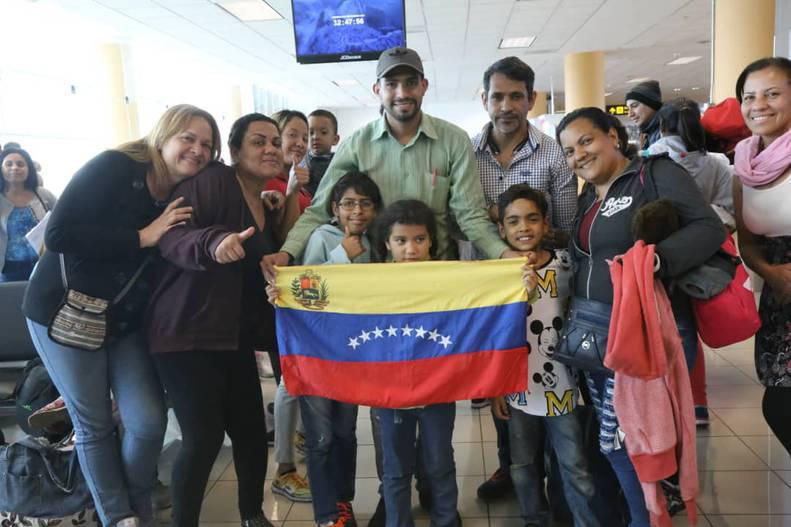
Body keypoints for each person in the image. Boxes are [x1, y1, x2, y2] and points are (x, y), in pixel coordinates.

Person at [22, 104, 221, 527]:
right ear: (163, 136)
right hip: (63, 313)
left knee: (147, 422)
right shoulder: (115, 167)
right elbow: (58, 234)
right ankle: (121, 517)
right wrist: (141, 237)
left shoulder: (184, 193)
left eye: (207, 144)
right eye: (188, 138)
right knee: (94, 423)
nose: (198, 149)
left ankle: (130, 506)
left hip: (123, 321)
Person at [556, 107, 723, 526]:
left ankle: (646, 519)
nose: (578, 155)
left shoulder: (655, 174)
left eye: (586, 141)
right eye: (569, 151)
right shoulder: (588, 198)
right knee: (615, 441)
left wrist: (656, 260)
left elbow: (708, 228)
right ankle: (641, 515)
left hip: (644, 334)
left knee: (629, 441)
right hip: (597, 338)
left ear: (613, 136)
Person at [145, 112, 284, 527]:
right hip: (184, 331)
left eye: (275, 142)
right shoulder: (213, 181)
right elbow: (173, 236)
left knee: (251, 431)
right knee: (203, 437)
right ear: (235, 151)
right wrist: (213, 242)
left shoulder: (265, 203)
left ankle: (252, 515)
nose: (270, 149)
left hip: (230, 335)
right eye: (258, 141)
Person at [471, 55, 577, 501]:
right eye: (498, 96)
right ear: (484, 99)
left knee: (545, 378)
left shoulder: (553, 154)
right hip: (490, 293)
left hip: (543, 293)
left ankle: (552, 475)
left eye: (516, 96)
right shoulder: (467, 154)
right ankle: (509, 467)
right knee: (502, 378)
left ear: (531, 99)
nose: (506, 105)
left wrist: (522, 235)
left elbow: (567, 227)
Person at [267, 171, 383, 527]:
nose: (357, 211)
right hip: (318, 354)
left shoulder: (377, 243)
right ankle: (326, 513)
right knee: (320, 437)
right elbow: (307, 287)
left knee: (346, 432)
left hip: (352, 354)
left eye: (365, 204)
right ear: (335, 208)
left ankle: (343, 500)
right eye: (349, 203)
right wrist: (341, 256)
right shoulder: (321, 237)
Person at [490, 184, 601, 527]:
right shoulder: (495, 273)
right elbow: (492, 336)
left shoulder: (566, 264)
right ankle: (534, 520)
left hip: (564, 388)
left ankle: (582, 521)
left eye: (532, 218)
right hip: (517, 388)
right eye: (513, 221)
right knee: (523, 466)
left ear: (545, 223)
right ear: (501, 229)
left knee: (574, 464)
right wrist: (495, 388)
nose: (523, 227)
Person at [732, 57, 791, 455]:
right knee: (780, 404)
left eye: (772, 94)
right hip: (778, 295)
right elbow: (749, 240)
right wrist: (770, 272)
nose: (759, 105)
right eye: (749, 97)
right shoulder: (743, 165)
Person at [0, 147, 57, 281]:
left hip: (43, 264)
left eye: (20, 164)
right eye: (9, 164)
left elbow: (62, 220)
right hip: (8, 269)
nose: (15, 167)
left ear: (29, 169)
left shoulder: (44, 195)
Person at [306, 109, 341, 196]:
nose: (315, 137)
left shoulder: (339, 163)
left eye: (323, 132)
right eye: (311, 133)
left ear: (335, 139)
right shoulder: (301, 161)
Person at [626, 80, 663, 149]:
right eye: (628, 108)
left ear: (652, 104)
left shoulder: (666, 132)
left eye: (634, 105)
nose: (630, 114)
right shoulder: (651, 133)